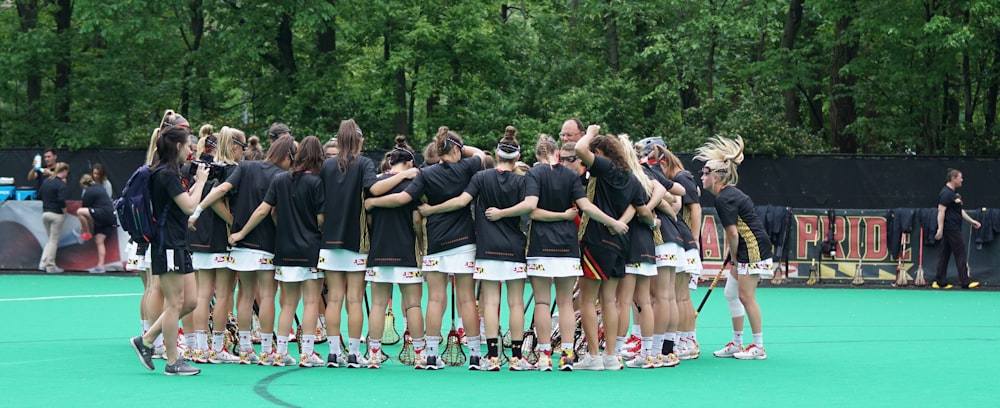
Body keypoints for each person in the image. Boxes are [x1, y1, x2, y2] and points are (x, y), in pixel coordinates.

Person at [494, 135, 627, 371]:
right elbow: (586, 207)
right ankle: (567, 355)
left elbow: (532, 210)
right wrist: (613, 223)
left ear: (537, 156)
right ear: (557, 153)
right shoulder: (570, 175)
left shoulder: (534, 174)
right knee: (566, 303)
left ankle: (545, 356)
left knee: (543, 302)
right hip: (567, 247)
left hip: (540, 247)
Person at [365, 126, 486, 370]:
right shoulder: (467, 166)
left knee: (435, 298)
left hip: (436, 242)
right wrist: (458, 146)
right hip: (463, 241)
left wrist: (372, 202)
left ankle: (430, 355)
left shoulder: (425, 174)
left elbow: (403, 200)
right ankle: (474, 355)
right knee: (466, 299)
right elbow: (481, 154)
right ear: (455, 149)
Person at [418, 126, 533, 371]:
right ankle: (493, 356)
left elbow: (461, 201)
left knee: (449, 300)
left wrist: (431, 210)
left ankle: (452, 356)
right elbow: (529, 206)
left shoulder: (474, 177)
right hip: (491, 245)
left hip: (464, 244)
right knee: (486, 301)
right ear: (518, 157)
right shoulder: (511, 177)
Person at [189, 135, 298, 365]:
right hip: (266, 243)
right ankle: (267, 350)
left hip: (239, 246)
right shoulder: (282, 177)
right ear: (288, 155)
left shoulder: (246, 166)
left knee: (244, 296)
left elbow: (221, 191)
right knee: (267, 295)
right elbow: (271, 212)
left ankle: (237, 348)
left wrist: (198, 210)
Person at [318, 119, 416, 368]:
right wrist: (405, 174)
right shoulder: (363, 164)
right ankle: (353, 353)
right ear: (359, 140)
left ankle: (332, 353)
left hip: (328, 241)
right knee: (354, 299)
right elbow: (374, 189)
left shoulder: (327, 166)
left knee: (334, 299)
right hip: (356, 241)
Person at [230, 136, 327, 367]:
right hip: (310, 249)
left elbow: (266, 210)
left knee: (288, 304)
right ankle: (307, 353)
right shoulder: (316, 183)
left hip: (284, 249)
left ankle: (279, 351)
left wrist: (242, 233)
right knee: (312, 302)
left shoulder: (280, 179)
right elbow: (321, 219)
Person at [574, 125, 657, 371]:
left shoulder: (605, 168)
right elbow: (640, 207)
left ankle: (593, 356)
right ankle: (611, 355)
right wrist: (622, 222)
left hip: (596, 240)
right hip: (620, 243)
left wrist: (590, 132)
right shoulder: (631, 178)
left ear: (599, 152)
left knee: (588, 300)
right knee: (609, 300)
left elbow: (579, 148)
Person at [129, 124, 209, 376]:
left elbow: (183, 200)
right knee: (175, 303)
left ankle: (147, 338)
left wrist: (197, 183)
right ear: (177, 146)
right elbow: (188, 206)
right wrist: (203, 183)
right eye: (188, 146)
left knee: (191, 301)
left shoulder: (169, 173)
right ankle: (173, 361)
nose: (190, 151)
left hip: (178, 242)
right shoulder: (166, 174)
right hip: (168, 244)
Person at [696, 136, 771, 361]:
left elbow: (733, 233)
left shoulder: (724, 199)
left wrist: (736, 258)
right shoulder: (727, 195)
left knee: (746, 296)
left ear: (716, 176)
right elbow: (734, 230)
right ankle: (737, 342)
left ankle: (758, 346)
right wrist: (732, 254)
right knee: (731, 293)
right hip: (745, 247)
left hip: (753, 248)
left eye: (705, 173)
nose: (702, 177)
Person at [364, 136, 427, 369]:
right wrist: (422, 246)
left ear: (390, 162)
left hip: (379, 251)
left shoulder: (375, 183)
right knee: (413, 305)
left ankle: (373, 355)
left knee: (378, 305)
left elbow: (368, 219)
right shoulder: (414, 182)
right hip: (407, 253)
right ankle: (420, 355)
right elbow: (417, 219)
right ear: (410, 164)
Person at [188, 126, 245, 365]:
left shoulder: (207, 166)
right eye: (242, 147)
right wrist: (233, 224)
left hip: (200, 239)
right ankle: (217, 348)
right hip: (220, 239)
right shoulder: (231, 170)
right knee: (223, 294)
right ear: (234, 147)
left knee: (203, 295)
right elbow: (216, 200)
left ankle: (200, 348)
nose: (243, 152)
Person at [933, 169, 981, 289]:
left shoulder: (953, 194)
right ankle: (965, 281)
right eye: (960, 177)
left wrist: (971, 221)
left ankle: (940, 281)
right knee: (960, 252)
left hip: (954, 227)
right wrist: (940, 228)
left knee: (944, 254)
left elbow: (959, 211)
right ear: (953, 178)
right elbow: (941, 211)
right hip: (951, 228)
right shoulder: (945, 193)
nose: (962, 180)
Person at [76, 174, 115, 273]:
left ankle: (87, 233)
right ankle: (100, 266)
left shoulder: (89, 192)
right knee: (99, 241)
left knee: (79, 211)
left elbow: (84, 210)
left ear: (84, 184)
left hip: (102, 213)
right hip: (109, 216)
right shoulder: (100, 187)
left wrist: (84, 227)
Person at [38, 162, 69, 273]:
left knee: (50, 240)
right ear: (64, 171)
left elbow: (39, 194)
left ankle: (42, 263)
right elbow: (61, 200)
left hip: (45, 213)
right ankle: (50, 266)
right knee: (53, 241)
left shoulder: (46, 181)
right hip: (56, 214)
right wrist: (65, 211)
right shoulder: (60, 184)